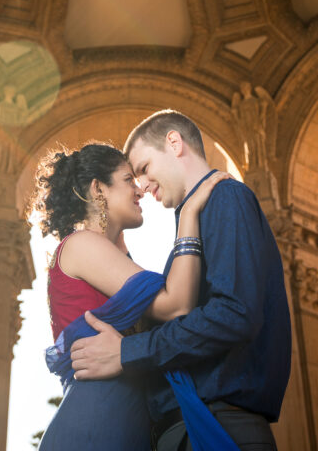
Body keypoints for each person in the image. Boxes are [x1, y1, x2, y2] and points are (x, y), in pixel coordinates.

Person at [70, 110, 292, 451]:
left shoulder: (226, 196)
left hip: (217, 425)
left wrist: (128, 352)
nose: (141, 186)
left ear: (174, 143)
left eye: (143, 169)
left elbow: (233, 314)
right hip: (193, 423)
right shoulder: (197, 215)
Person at [31, 141, 228, 450]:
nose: (140, 191)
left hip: (129, 425)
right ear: (98, 189)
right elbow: (176, 306)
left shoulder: (114, 259)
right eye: (128, 180)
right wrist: (189, 213)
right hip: (97, 424)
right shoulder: (81, 244)